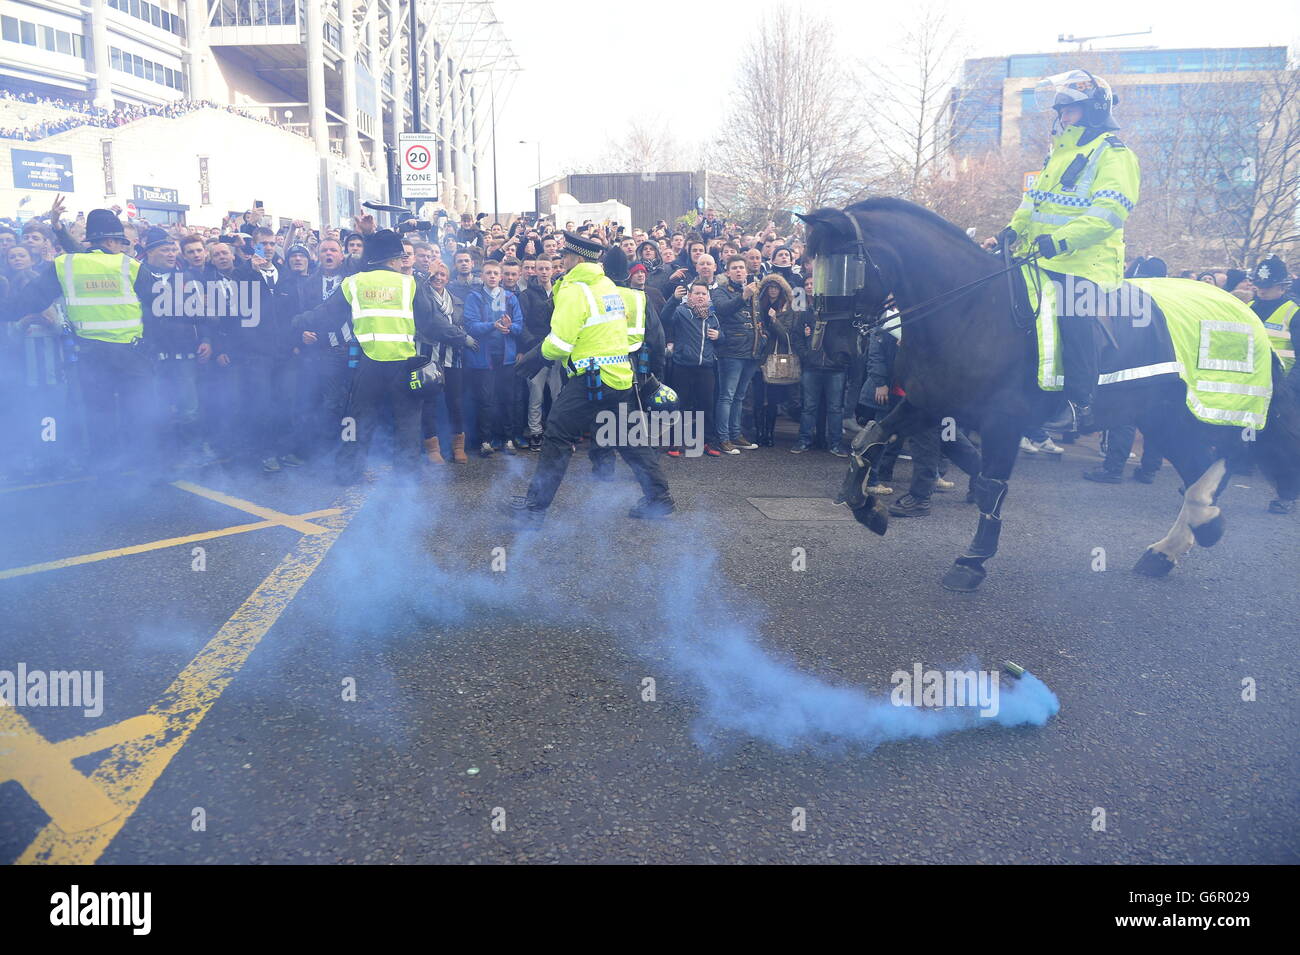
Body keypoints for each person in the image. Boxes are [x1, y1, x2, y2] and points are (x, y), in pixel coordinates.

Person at [996, 69, 1140, 434]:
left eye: (1070, 111)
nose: (1062, 118)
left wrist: (1060, 240)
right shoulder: (1059, 153)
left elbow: (1108, 214)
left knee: (1075, 318)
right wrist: (1014, 229)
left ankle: (1080, 403)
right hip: (1040, 256)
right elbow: (1033, 202)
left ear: (1093, 110)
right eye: (1060, 112)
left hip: (1086, 262)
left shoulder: (1114, 154)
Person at [510, 232, 673, 524]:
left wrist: (537, 356)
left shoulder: (576, 290)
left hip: (590, 379)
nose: (561, 264)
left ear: (575, 259)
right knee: (630, 440)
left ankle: (534, 509)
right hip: (620, 377)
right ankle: (658, 498)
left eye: (564, 259)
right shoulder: (606, 286)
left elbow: (560, 343)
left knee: (557, 436)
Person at [292, 230, 470, 484]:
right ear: (393, 259)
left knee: (355, 420)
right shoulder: (410, 284)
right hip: (403, 365)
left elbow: (326, 315)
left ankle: (346, 471)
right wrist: (463, 338)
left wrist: (297, 322)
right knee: (407, 424)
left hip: (367, 365)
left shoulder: (354, 282)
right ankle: (407, 478)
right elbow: (432, 323)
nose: (402, 262)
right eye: (400, 257)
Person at [2, 209, 159, 476]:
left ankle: (105, 471)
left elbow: (26, 303)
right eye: (122, 243)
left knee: (100, 415)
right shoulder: (129, 266)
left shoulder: (65, 265)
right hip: (132, 356)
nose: (124, 248)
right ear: (110, 241)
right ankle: (145, 469)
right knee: (139, 412)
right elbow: (160, 307)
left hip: (91, 356)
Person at [1248, 255, 1296, 374]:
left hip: (1283, 382)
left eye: (1268, 287)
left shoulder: (1294, 312)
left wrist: (1289, 388)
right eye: (1259, 286)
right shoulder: (1248, 307)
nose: (1262, 290)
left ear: (1282, 287)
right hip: (1253, 379)